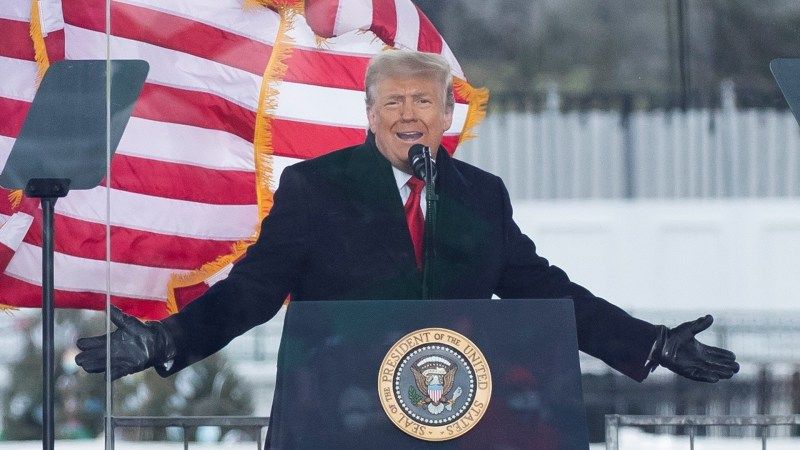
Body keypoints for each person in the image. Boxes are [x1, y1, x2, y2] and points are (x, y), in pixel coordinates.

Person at [75, 51, 738, 386]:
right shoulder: (315, 189)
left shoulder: (479, 195)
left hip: (456, 411)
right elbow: (251, 292)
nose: (408, 114)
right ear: (369, 115)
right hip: (339, 413)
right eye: (392, 102)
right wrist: (167, 341)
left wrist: (649, 344)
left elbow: (543, 289)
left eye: (424, 101)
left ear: (447, 114)